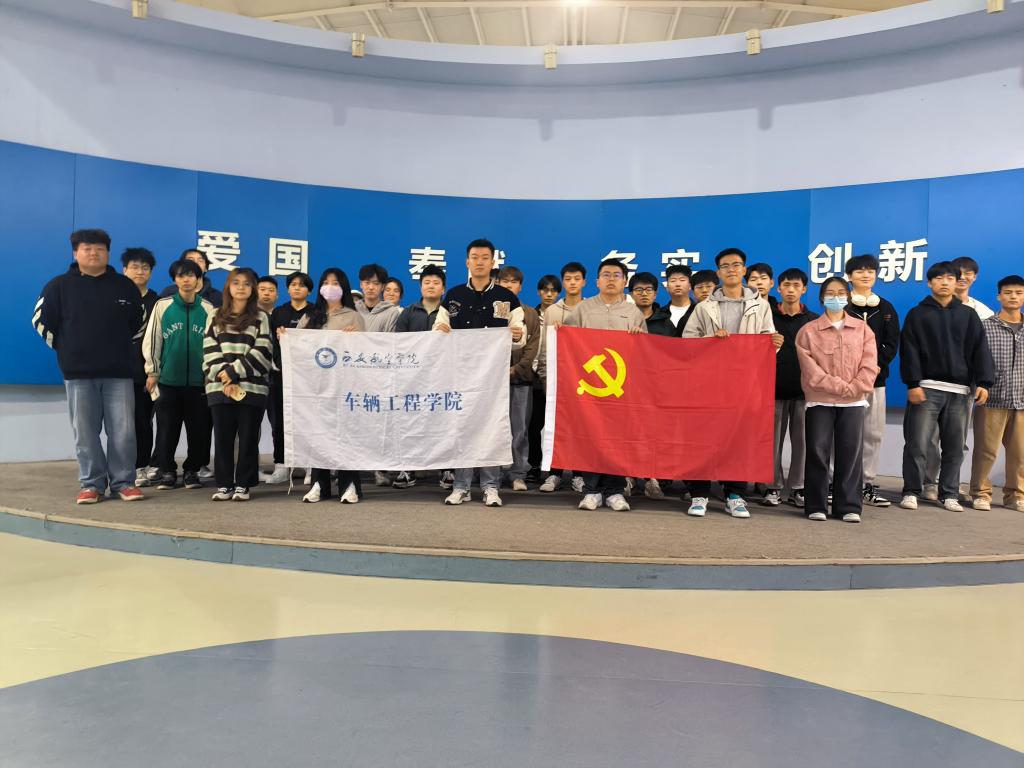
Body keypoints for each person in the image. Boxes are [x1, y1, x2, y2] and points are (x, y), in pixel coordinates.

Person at [33, 229, 145, 504]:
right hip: (78, 374)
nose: (93, 253)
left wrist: (119, 349)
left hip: (119, 373)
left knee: (123, 432)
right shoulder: (58, 286)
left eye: (99, 248)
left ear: (108, 253)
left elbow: (139, 323)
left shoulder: (124, 286)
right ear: (75, 253)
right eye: (87, 248)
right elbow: (41, 322)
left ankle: (124, 482)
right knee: (85, 433)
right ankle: (91, 484)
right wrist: (67, 350)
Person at [682, 247, 777, 518]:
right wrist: (710, 342)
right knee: (703, 438)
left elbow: (768, 341)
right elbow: (688, 342)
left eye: (736, 265)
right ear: (719, 272)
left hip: (745, 383)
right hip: (709, 383)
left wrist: (776, 343)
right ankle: (699, 493)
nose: (731, 269)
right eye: (725, 266)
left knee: (739, 439)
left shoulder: (761, 305)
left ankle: (735, 495)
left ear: (744, 270)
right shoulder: (704, 306)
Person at [434, 238, 526, 507]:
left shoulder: (507, 298)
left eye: (485, 257)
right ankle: (461, 486)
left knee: (491, 429)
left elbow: (520, 335)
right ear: (467, 261)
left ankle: (490, 486)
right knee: (462, 427)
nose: (479, 262)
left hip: (493, 377)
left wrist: (517, 336)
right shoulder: (454, 296)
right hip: (460, 374)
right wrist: (440, 331)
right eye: (474, 257)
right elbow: (438, 328)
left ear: (493, 261)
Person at [899, 261, 995, 512]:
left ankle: (949, 493)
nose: (945, 282)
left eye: (950, 278)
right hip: (926, 388)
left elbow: (980, 350)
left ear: (956, 282)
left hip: (960, 393)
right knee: (917, 443)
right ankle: (911, 491)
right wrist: (913, 383)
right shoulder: (917, 314)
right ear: (929, 283)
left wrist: (984, 382)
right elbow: (909, 350)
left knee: (955, 447)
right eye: (939, 278)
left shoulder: (968, 315)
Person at [558, 258, 647, 512]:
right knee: (591, 437)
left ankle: (615, 491)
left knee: (618, 439)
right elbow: (568, 342)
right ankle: (591, 490)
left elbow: (646, 351)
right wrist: (560, 331)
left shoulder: (633, 312)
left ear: (624, 281)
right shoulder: (584, 308)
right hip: (590, 387)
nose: (610, 279)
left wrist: (640, 337)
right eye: (606, 275)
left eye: (616, 275)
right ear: (597, 281)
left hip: (622, 387)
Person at [795, 277, 879, 523]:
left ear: (848, 296)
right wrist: (842, 387)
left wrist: (855, 388)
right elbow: (810, 371)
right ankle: (815, 505)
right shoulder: (808, 331)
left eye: (841, 292)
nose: (835, 297)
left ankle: (848, 506)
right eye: (830, 293)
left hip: (853, 402)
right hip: (820, 401)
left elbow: (869, 364)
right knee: (817, 451)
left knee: (850, 453)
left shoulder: (863, 329)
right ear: (822, 298)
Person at [202, 268, 274, 502]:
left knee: (248, 438)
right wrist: (222, 374)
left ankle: (243, 484)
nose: (241, 287)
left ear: (253, 289)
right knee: (222, 439)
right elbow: (209, 348)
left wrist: (233, 371)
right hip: (219, 387)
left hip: (252, 388)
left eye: (246, 283)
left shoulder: (261, 317)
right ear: (228, 287)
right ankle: (224, 484)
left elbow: (263, 350)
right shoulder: (214, 315)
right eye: (236, 283)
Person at [143, 259, 216, 491]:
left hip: (199, 382)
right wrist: (153, 371)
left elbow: (212, 344)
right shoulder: (162, 306)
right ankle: (167, 471)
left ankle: (192, 471)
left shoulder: (208, 309)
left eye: (191, 275)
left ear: (198, 279)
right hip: (168, 381)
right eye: (181, 275)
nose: (186, 280)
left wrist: (209, 372)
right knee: (167, 429)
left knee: (198, 430)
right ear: (175, 279)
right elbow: (153, 339)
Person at [299, 268, 366, 504]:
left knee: (347, 435)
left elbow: (366, 352)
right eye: (325, 282)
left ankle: (349, 484)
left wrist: (356, 338)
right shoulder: (311, 316)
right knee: (319, 433)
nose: (330, 287)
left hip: (345, 386)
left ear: (343, 287)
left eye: (335, 283)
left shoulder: (354, 316)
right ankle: (319, 483)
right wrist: (284, 335)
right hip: (317, 387)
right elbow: (299, 346)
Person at [844, 254, 901, 507]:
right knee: (842, 432)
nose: (865, 275)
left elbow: (891, 343)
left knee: (873, 433)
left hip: (876, 381)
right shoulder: (842, 305)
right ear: (849, 276)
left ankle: (866, 483)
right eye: (859, 271)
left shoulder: (886, 308)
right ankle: (836, 481)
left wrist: (875, 366)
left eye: (870, 271)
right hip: (845, 382)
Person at [970, 275, 1024, 513]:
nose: (1013, 297)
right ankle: (980, 493)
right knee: (986, 451)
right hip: (992, 398)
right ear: (999, 296)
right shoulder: (985, 326)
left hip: (1021, 400)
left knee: (1020, 454)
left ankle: (1016, 495)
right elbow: (975, 360)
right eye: (1008, 292)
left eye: (1019, 293)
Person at [766, 268, 818, 508]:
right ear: (778, 288)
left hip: (804, 391)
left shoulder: (813, 320)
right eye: (786, 285)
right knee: (772, 443)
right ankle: (773, 486)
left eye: (796, 286)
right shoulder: (768, 318)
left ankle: (798, 487)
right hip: (772, 390)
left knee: (803, 442)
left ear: (804, 289)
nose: (790, 290)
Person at [261, 271, 315, 485]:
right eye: (293, 284)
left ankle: (310, 465)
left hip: (308, 377)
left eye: (302, 285)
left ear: (309, 290)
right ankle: (281, 465)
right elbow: (271, 343)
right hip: (280, 376)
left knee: (308, 421)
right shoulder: (279, 312)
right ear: (288, 288)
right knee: (280, 421)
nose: (297, 288)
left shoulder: (316, 312)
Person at [538, 262, 587, 494]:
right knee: (555, 427)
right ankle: (554, 473)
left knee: (580, 427)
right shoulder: (552, 311)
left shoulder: (590, 309)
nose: (572, 283)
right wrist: (544, 375)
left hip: (583, 380)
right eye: (568, 279)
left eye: (577, 279)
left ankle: (579, 474)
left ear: (584, 282)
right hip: (556, 379)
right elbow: (544, 346)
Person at [498, 266, 541, 492]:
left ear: (520, 286)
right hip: (492, 383)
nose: (509, 285)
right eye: (504, 281)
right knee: (492, 430)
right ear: (497, 284)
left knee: (520, 430)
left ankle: (517, 474)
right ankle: (492, 474)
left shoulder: (530, 314)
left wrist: (515, 369)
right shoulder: (491, 311)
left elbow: (532, 347)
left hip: (521, 380)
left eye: (513, 282)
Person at [121, 247, 159, 488]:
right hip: (117, 372)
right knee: (120, 425)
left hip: (146, 375)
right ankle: (120, 467)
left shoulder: (158, 302)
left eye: (145, 268)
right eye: (135, 267)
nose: (140, 271)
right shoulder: (117, 298)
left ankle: (141, 466)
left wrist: (153, 371)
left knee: (143, 422)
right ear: (125, 270)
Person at [528, 274, 563, 482]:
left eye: (553, 290)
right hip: (534, 377)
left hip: (558, 377)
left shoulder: (564, 314)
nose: (549, 294)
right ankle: (534, 465)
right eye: (545, 290)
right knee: (534, 424)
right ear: (539, 292)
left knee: (559, 426)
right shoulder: (530, 315)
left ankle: (556, 470)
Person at [646, 264, 696, 337]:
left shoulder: (699, 311)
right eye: (673, 281)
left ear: (690, 286)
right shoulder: (658, 315)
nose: (678, 284)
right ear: (667, 287)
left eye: (682, 280)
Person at [395, 265, 445, 332]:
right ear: (421, 287)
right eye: (427, 283)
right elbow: (399, 337)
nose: (431, 286)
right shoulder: (408, 312)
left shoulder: (449, 313)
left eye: (436, 283)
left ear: (443, 289)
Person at [356, 263, 402, 333]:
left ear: (383, 287)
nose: (371, 287)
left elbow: (392, 339)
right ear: (361, 284)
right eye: (367, 283)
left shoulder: (392, 313)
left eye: (376, 283)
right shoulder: (353, 309)